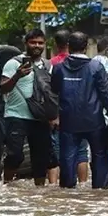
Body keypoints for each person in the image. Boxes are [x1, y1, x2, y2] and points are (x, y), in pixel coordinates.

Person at [51, 32, 108, 189]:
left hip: (68, 120)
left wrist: (55, 115)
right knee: (100, 155)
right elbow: (106, 93)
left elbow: (54, 92)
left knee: (68, 158)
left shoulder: (58, 69)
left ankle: (68, 193)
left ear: (69, 46)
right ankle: (99, 190)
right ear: (86, 47)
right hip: (94, 120)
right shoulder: (96, 67)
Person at [0, 29, 55, 185]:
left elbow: (53, 93)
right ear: (26, 44)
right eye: (33, 42)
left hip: (40, 117)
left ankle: (39, 191)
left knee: (41, 158)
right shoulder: (13, 63)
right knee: (14, 155)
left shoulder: (48, 66)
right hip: (16, 115)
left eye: (40, 43)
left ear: (45, 45)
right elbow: (3, 88)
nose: (37, 46)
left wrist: (55, 116)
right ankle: (7, 185)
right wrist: (17, 75)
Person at [45, 30, 73, 185]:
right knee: (80, 152)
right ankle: (82, 183)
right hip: (78, 114)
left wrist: (53, 115)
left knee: (55, 150)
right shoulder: (84, 63)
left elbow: (50, 92)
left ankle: (54, 185)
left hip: (57, 114)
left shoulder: (51, 64)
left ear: (55, 45)